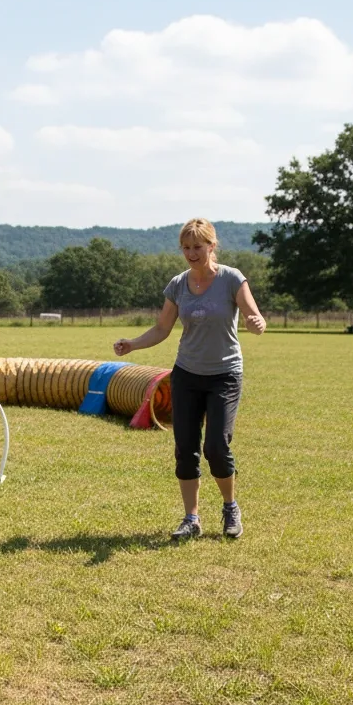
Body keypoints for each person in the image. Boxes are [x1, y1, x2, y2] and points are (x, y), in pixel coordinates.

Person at [113, 218, 266, 540]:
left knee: (216, 446)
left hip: (224, 375)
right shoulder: (178, 284)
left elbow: (253, 314)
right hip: (186, 375)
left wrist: (256, 322)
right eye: (186, 247)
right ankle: (191, 519)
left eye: (198, 246)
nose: (191, 253)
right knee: (185, 448)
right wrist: (133, 344)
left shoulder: (231, 279)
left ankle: (230, 508)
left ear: (212, 246)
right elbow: (162, 328)